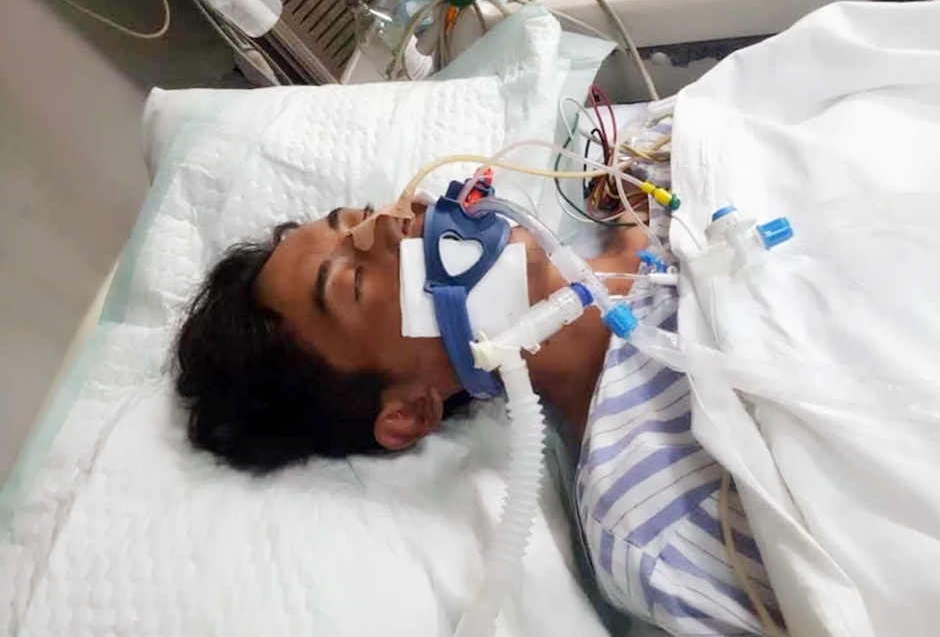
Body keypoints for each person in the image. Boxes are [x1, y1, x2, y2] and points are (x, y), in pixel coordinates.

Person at [174, 199, 648, 473]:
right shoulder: (649, 510)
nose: (389, 224)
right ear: (410, 411)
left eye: (363, 215)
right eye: (354, 283)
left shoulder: (649, 164)